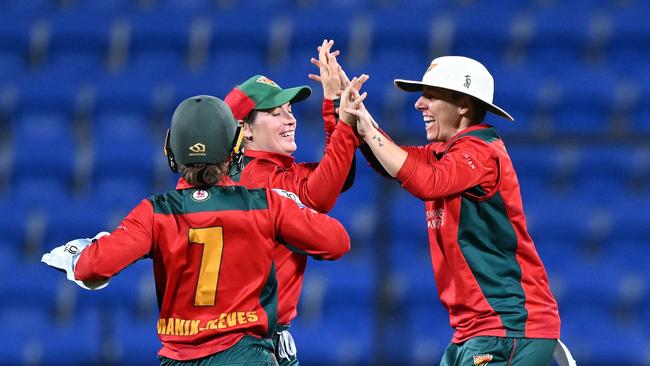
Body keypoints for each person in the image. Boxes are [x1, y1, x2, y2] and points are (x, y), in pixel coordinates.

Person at [41, 95, 351, 365]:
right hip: (247, 355)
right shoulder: (266, 204)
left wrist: (78, 252)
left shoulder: (154, 212)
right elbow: (337, 242)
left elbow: (92, 267)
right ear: (236, 145)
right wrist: (289, 204)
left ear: (171, 147)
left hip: (179, 360)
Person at [343, 56, 570, 365]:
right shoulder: (447, 152)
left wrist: (369, 131)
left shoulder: (480, 152)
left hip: (506, 328)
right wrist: (344, 110)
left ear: (463, 104)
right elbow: (393, 162)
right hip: (478, 331)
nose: (419, 104)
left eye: (431, 96)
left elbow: (428, 182)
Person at [223, 39, 366, 365]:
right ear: (244, 129)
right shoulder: (256, 180)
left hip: (262, 336)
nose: (291, 119)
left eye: (289, 110)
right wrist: (339, 116)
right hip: (244, 342)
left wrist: (333, 106)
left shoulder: (270, 172)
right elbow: (320, 195)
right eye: (276, 113)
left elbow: (336, 176)